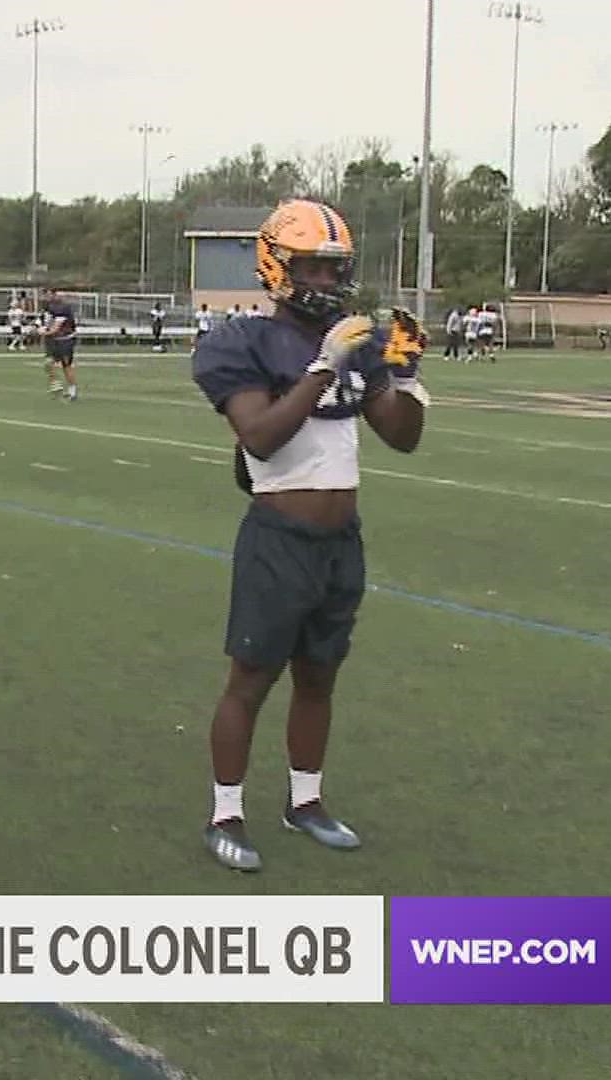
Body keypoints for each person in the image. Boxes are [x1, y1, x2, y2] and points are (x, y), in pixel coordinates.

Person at [188, 198, 429, 872]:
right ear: (276, 266)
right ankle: (226, 812)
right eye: (311, 269)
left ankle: (305, 800)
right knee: (251, 678)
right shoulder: (243, 341)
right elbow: (261, 437)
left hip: (339, 540)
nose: (325, 282)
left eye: (333, 270)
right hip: (278, 535)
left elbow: (401, 437)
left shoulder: (355, 342)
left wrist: (405, 375)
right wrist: (323, 367)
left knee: (320, 677)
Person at [42, 287, 78, 401]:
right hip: (54, 340)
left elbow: (56, 327)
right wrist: (37, 327)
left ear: (54, 294)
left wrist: (45, 332)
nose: (46, 297)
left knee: (66, 366)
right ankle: (56, 385)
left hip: (65, 340)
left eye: (48, 294)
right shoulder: (48, 306)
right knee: (48, 363)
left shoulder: (63, 308)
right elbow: (43, 320)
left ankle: (72, 391)